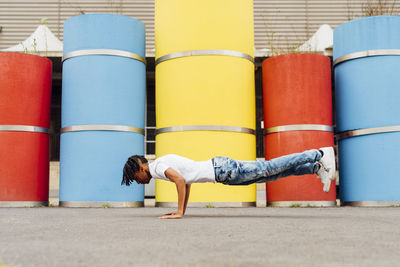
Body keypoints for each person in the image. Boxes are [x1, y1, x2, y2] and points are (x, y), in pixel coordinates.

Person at [121, 147, 335, 219]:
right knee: (269, 175)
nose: (138, 182)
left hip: (222, 170)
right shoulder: (160, 163)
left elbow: (180, 180)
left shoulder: (157, 168)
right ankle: (315, 168)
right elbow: (186, 182)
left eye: (135, 178)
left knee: (269, 168)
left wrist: (177, 212)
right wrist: (182, 211)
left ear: (141, 168)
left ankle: (318, 153)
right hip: (222, 171)